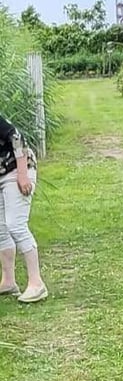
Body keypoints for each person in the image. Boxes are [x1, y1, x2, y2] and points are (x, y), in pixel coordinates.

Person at [0, 114, 47, 303]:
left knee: (15, 224)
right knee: (1, 228)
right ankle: (9, 281)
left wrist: (22, 174)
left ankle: (37, 284)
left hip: (16, 167)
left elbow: (16, 136)